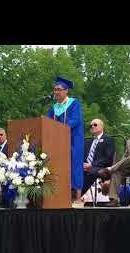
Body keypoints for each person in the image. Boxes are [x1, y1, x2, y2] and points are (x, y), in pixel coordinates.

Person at [46, 76, 84, 207]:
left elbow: (76, 120)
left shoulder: (74, 103)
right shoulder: (54, 107)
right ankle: (61, 197)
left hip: (73, 141)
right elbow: (47, 122)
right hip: (58, 142)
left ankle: (78, 199)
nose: (56, 92)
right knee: (58, 168)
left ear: (66, 91)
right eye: (54, 89)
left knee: (75, 167)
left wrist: (60, 128)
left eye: (59, 89)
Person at [82, 118, 115, 198]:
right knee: (73, 172)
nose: (92, 126)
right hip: (85, 167)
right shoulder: (88, 142)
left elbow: (108, 158)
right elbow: (82, 157)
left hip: (101, 168)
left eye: (95, 125)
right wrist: (82, 164)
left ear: (102, 127)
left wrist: (91, 165)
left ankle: (76, 196)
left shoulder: (108, 140)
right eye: (91, 125)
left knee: (90, 173)